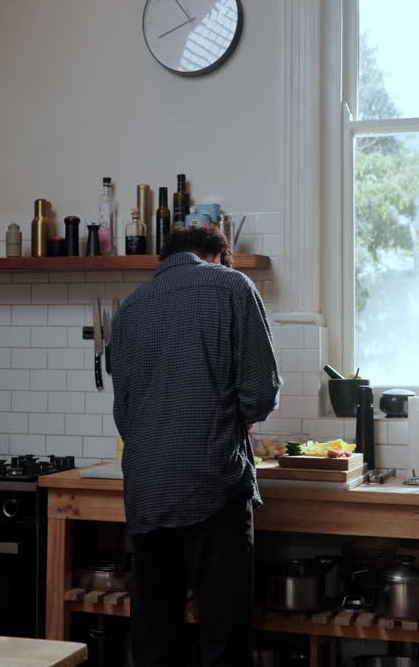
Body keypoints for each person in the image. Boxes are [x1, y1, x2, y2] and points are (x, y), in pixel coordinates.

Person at [108, 225, 282, 667]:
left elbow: (124, 413)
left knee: (156, 637)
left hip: (146, 488)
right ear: (217, 256)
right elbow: (261, 392)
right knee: (222, 638)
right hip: (212, 485)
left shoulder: (130, 308)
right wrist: (238, 417)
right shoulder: (232, 285)